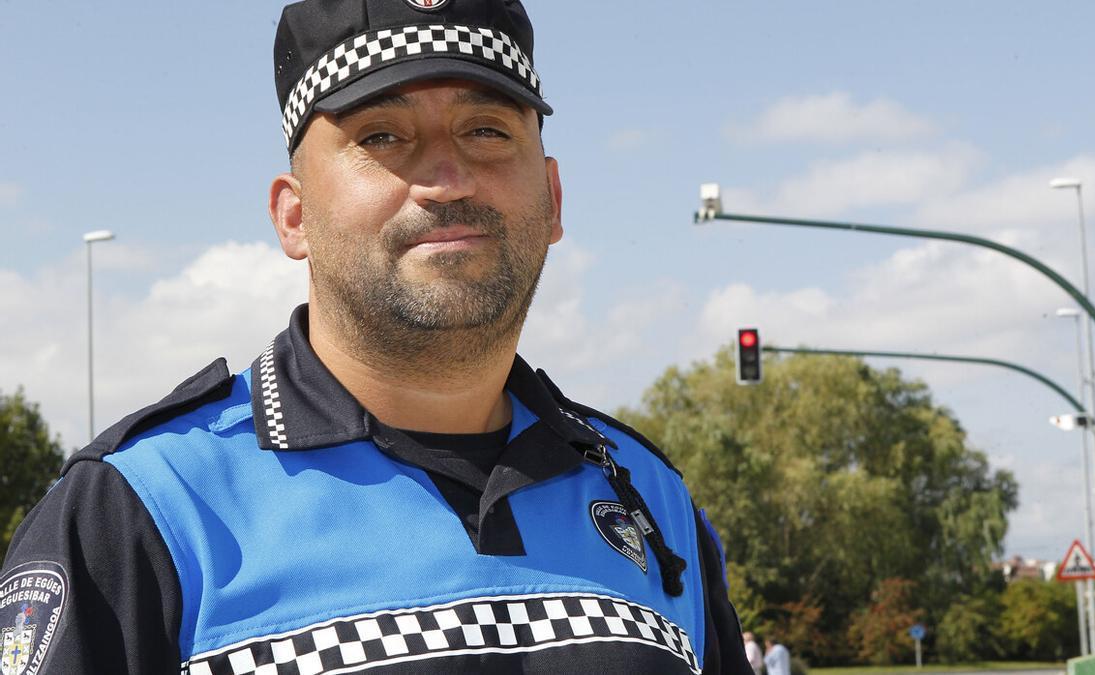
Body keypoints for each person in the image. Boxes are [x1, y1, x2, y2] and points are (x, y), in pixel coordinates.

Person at [0, 1, 752, 674]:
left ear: (553, 198)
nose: (447, 178)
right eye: (382, 135)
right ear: (293, 217)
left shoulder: (652, 496)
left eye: (487, 130)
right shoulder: (142, 511)